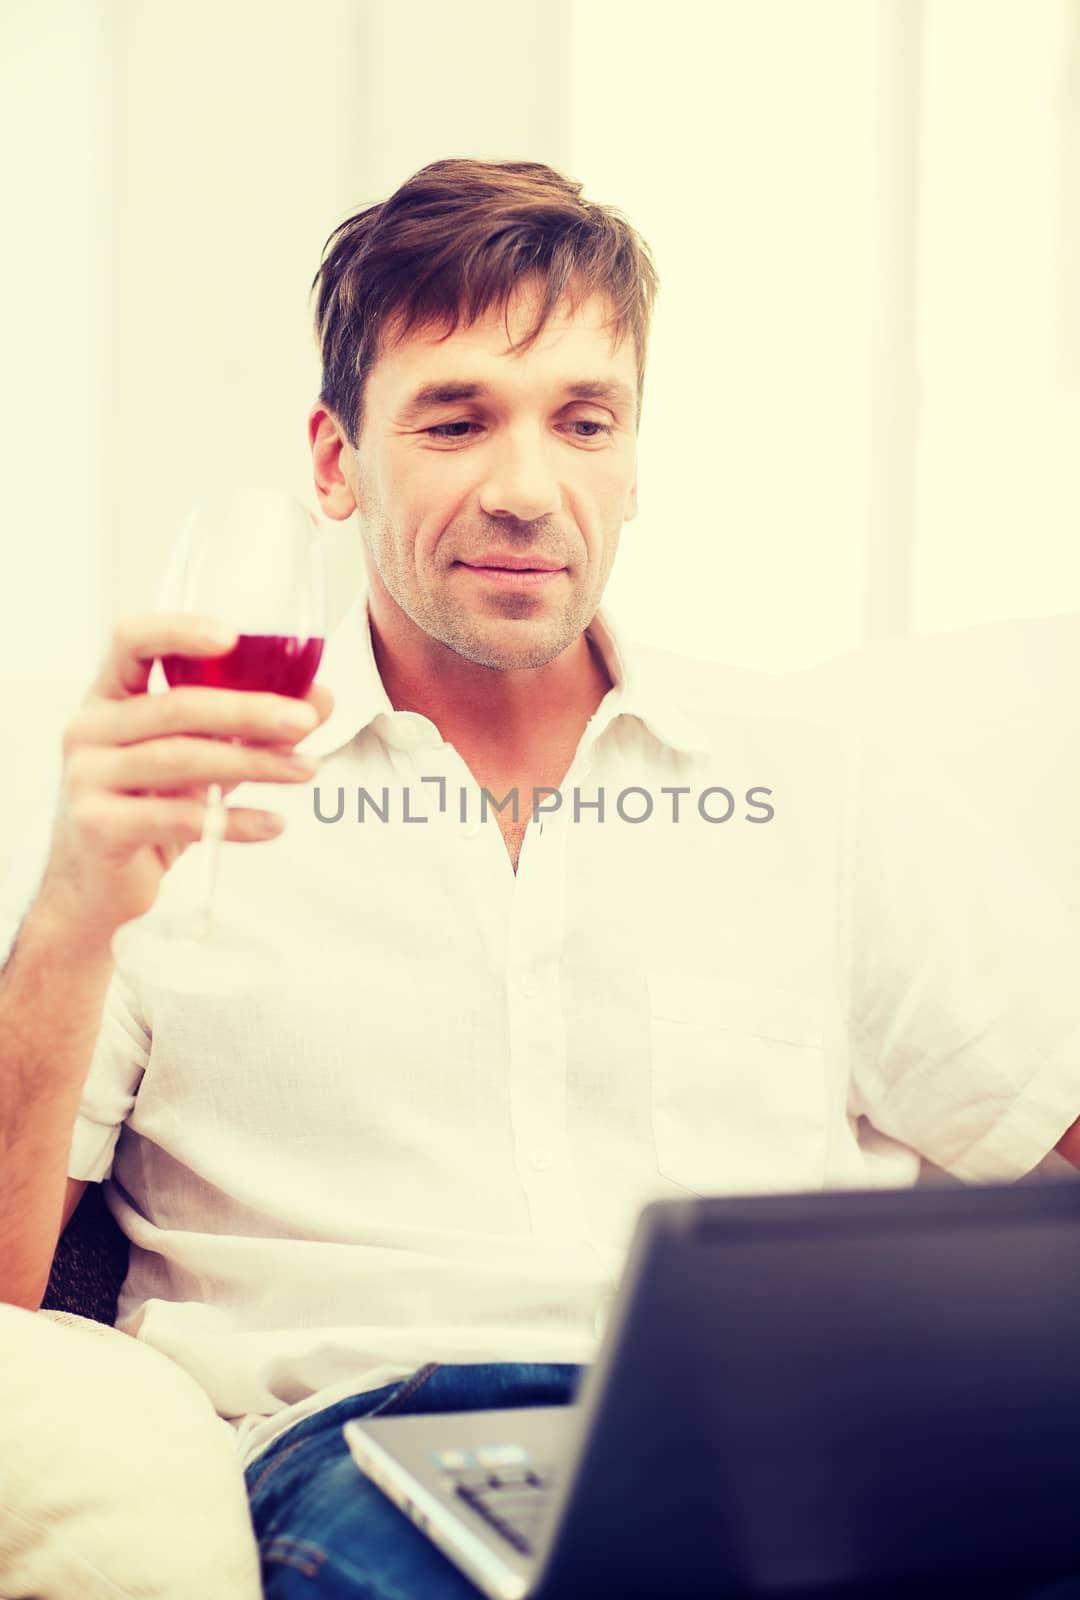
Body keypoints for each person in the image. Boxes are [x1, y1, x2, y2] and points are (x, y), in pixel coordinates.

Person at [1, 157, 1079, 1600]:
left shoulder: (825, 776)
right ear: (335, 461)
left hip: (795, 1455)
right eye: (454, 420)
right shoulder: (165, 789)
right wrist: (76, 909)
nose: (526, 489)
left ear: (631, 459)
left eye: (584, 422)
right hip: (371, 1452)